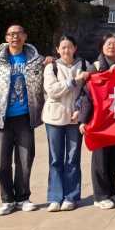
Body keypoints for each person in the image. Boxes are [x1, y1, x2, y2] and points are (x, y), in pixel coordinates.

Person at [0, 24, 46, 216]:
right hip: (3, 119)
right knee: (2, 163)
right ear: (6, 38)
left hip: (25, 118)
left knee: (25, 160)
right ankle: (7, 199)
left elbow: (52, 73)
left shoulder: (36, 60)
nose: (15, 37)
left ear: (25, 36)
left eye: (18, 34)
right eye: (11, 34)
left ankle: (23, 198)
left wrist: (51, 61)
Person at [77, 33, 115, 209]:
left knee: (114, 158)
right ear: (102, 46)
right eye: (108, 44)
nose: (112, 47)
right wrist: (83, 120)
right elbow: (86, 96)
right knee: (100, 158)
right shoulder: (95, 67)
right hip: (99, 121)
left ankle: (111, 192)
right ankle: (100, 196)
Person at [42, 35, 92, 212]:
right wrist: (75, 81)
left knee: (72, 158)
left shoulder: (85, 65)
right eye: (63, 47)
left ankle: (71, 196)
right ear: (57, 49)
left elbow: (88, 92)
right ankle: (55, 197)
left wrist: (80, 109)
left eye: (69, 47)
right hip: (54, 117)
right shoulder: (51, 67)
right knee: (55, 159)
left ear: (75, 48)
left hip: (74, 118)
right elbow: (52, 91)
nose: (66, 50)